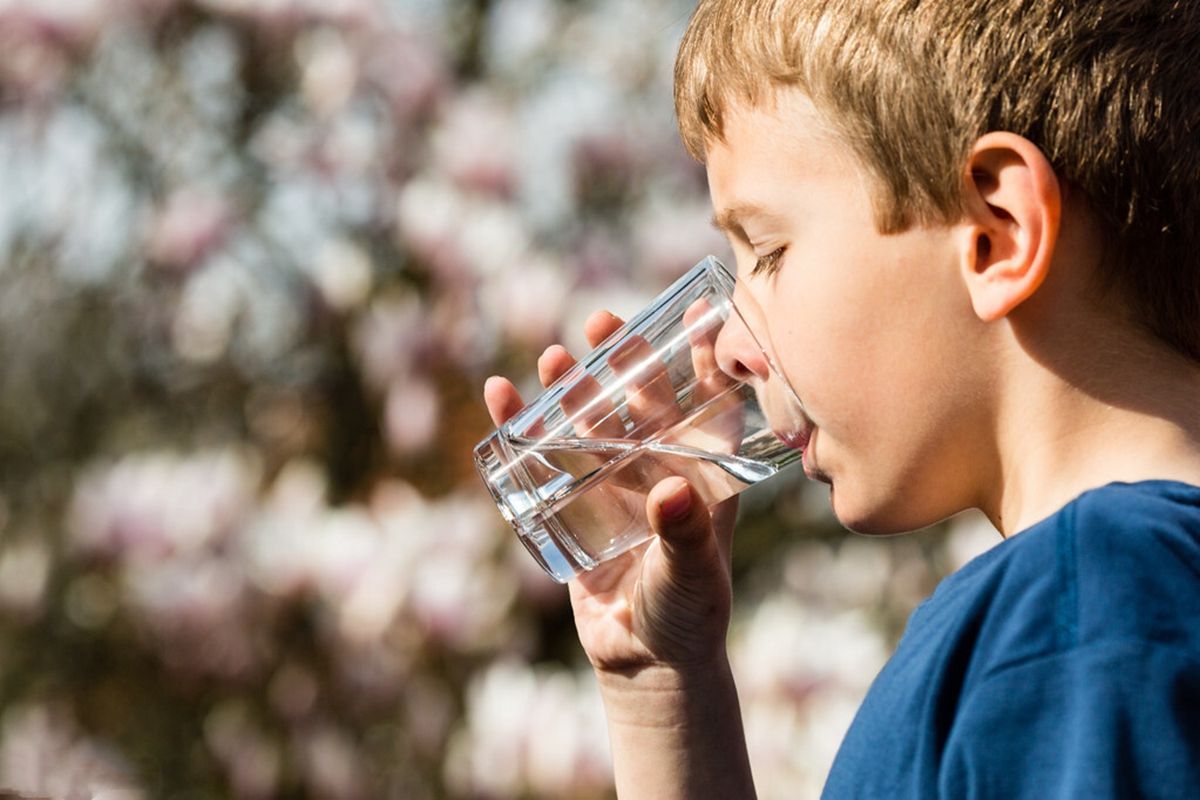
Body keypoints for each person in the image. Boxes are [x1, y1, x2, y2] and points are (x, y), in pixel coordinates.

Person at [484, 0, 1200, 796]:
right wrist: (660, 685)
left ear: (996, 233)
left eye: (770, 252)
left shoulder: (1079, 612)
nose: (727, 346)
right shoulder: (1107, 610)